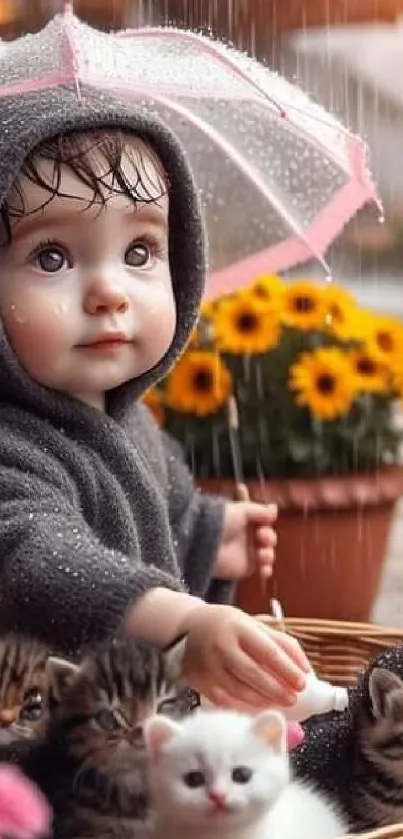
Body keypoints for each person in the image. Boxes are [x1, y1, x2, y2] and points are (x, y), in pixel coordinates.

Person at [0, 24, 310, 712]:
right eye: (52, 256)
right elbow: (40, 563)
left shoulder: (131, 425)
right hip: (43, 747)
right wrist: (182, 624)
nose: (110, 291)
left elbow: (151, 521)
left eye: (140, 251)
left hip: (131, 726)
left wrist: (207, 538)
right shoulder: (11, 446)